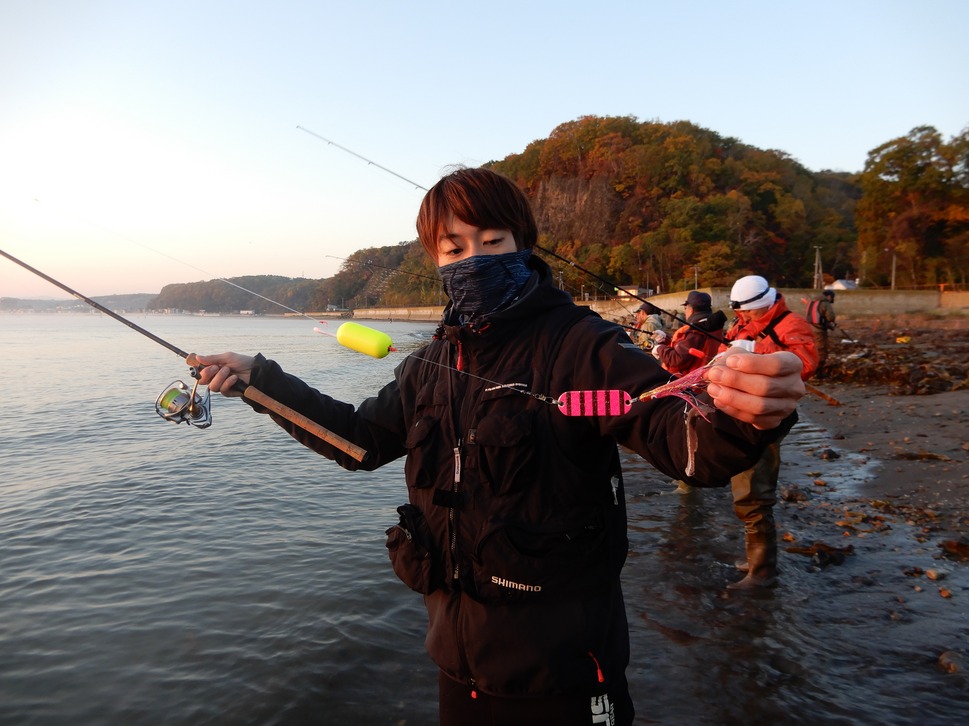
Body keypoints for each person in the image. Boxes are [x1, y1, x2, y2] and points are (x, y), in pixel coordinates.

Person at [194, 168, 806, 725]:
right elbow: (357, 442)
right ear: (436, 259)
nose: (473, 258)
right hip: (458, 665)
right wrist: (260, 380)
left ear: (522, 243)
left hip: (565, 673)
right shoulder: (431, 362)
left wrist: (748, 412)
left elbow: (685, 444)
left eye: (491, 241)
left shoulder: (581, 345)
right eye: (453, 247)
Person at [721, 275, 819, 589]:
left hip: (769, 416)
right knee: (741, 483)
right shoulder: (741, 323)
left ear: (762, 305)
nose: (742, 318)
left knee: (754, 492)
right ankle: (755, 558)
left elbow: (804, 365)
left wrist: (756, 353)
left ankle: (762, 572)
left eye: (747, 313)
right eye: (739, 314)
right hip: (742, 411)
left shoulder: (792, 325)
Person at [650, 291, 727, 376]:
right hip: (702, 377)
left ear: (691, 309)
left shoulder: (696, 332)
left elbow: (677, 360)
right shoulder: (712, 328)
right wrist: (666, 340)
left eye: (685, 308)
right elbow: (686, 348)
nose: (685, 311)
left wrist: (659, 348)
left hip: (686, 383)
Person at [806, 290, 837, 376]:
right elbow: (831, 317)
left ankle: (811, 368)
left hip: (809, 329)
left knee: (812, 349)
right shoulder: (825, 303)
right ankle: (817, 373)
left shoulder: (811, 302)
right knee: (821, 350)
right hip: (819, 330)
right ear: (829, 296)